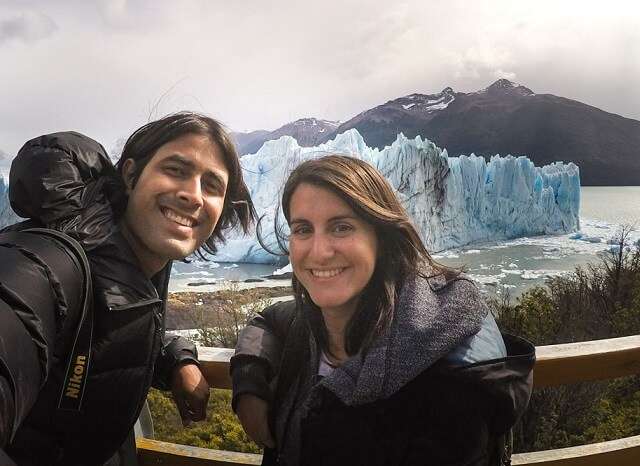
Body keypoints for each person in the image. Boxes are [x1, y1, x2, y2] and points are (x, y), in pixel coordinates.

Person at [230, 155, 536, 466]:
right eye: (303, 229)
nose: (319, 252)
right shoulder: (309, 322)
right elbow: (268, 320)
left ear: (381, 237)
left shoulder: (445, 379)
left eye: (341, 227)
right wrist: (249, 378)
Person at [0, 112, 254, 465]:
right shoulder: (44, 265)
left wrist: (176, 358)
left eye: (212, 185)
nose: (193, 195)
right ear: (131, 175)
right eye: (175, 170)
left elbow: (113, 324)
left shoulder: (136, 265)